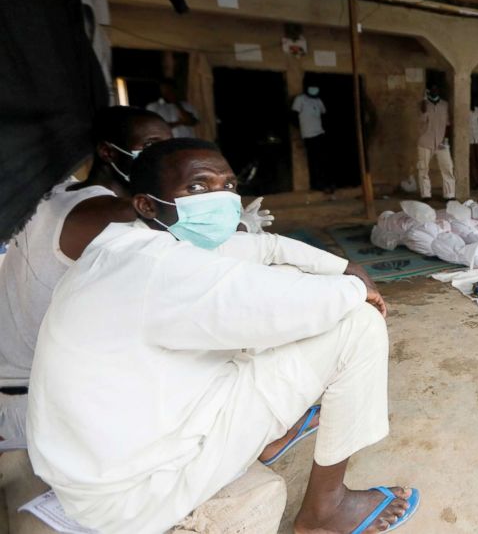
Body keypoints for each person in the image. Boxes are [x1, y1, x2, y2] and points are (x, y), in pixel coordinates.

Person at [27, 138, 419, 534]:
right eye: (197, 187)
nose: (219, 198)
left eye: (227, 185)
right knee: (357, 325)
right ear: (147, 204)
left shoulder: (130, 242)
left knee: (276, 287)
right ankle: (326, 512)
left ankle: (268, 438)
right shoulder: (157, 268)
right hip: (136, 492)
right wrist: (357, 290)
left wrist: (347, 266)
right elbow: (285, 305)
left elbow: (265, 246)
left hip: (103, 466)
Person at [0, 106, 172, 444]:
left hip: (14, 389)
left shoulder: (57, 192)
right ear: (108, 152)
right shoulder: (105, 212)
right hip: (32, 406)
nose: (163, 157)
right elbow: (165, 217)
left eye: (168, 146)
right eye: (151, 145)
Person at [291, 86, 335, 195]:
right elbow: (293, 115)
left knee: (324, 159)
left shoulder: (318, 101)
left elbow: (324, 114)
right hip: (308, 135)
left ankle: (326, 183)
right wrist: (302, 128)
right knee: (314, 160)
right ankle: (318, 185)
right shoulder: (300, 99)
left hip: (320, 133)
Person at [417, 83, 455, 200]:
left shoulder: (445, 105)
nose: (434, 91)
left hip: (441, 141)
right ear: (428, 91)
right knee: (423, 169)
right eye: (431, 89)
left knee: (447, 167)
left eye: (436, 89)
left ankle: (449, 195)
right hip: (425, 141)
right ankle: (426, 195)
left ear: (439, 90)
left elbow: (448, 124)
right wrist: (423, 106)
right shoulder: (423, 105)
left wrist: (446, 139)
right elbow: (421, 120)